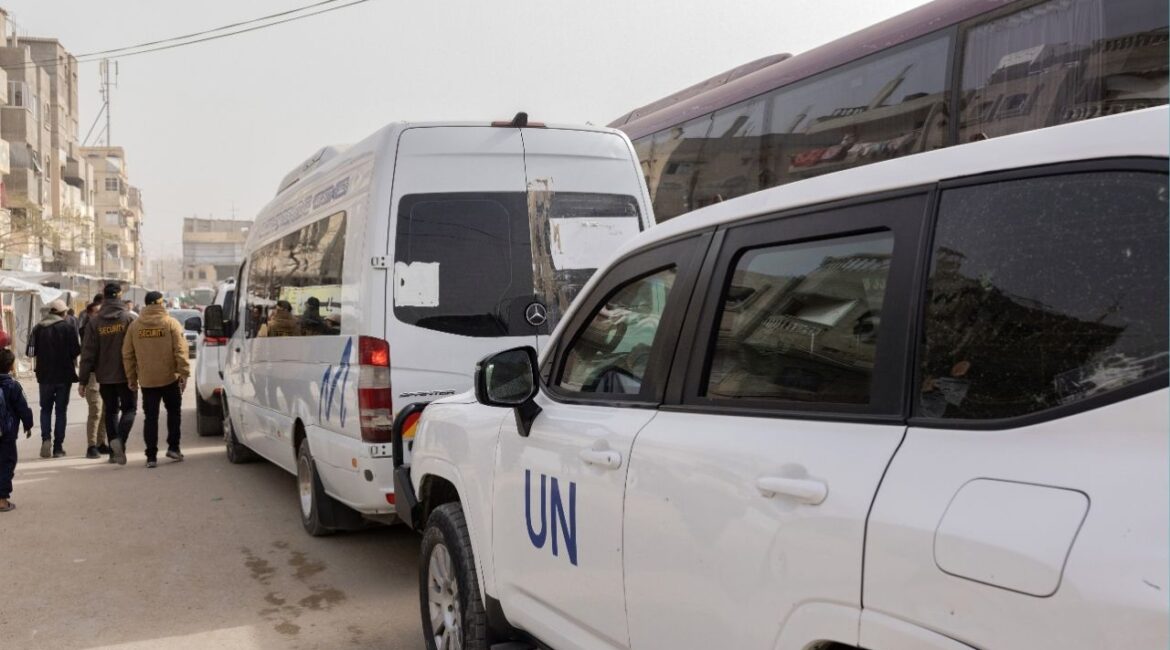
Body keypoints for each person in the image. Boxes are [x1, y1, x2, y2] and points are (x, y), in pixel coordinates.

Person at [122, 291, 190, 468]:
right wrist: (183, 373)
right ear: (161, 303)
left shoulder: (135, 326)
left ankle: (151, 457)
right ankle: (173, 448)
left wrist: (131, 378)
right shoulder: (171, 323)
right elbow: (181, 350)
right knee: (174, 413)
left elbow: (128, 354)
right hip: (170, 378)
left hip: (147, 381)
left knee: (150, 417)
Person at [78, 283, 137, 466]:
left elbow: (87, 353)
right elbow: (138, 348)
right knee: (129, 409)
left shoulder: (94, 322)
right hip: (126, 375)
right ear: (120, 296)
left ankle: (113, 453)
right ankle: (120, 441)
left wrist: (83, 380)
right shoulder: (129, 319)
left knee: (110, 411)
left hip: (104, 376)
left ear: (104, 297)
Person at [27, 299, 81, 458]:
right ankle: (58, 448)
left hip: (45, 376)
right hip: (64, 376)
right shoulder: (68, 328)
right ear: (64, 313)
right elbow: (76, 351)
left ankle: (46, 439)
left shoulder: (38, 328)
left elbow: (30, 352)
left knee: (45, 409)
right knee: (61, 411)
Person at [0, 348, 35, 512]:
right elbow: (23, 408)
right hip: (7, 434)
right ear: (11, 366)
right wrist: (28, 425)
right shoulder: (13, 386)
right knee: (6, 463)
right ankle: (2, 500)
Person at [81, 302, 109, 459]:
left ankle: (100, 442)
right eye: (97, 312)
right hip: (93, 375)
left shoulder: (107, 327)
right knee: (96, 410)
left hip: (107, 375)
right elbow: (86, 357)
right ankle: (91, 445)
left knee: (105, 410)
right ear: (90, 313)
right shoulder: (87, 329)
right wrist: (82, 381)